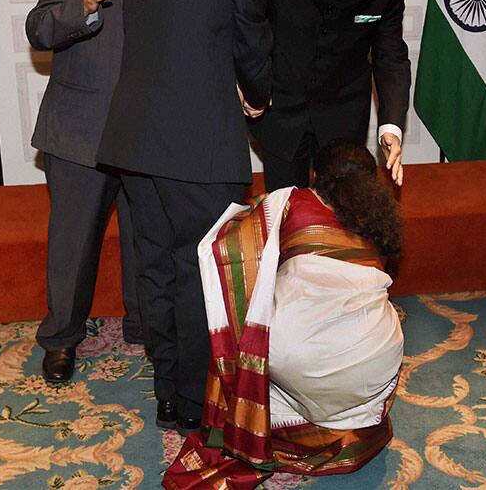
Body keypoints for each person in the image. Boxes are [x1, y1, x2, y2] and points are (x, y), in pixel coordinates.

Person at [97, 0, 272, 435]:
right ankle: (198, 405)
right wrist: (259, 96)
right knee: (204, 277)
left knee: (159, 268)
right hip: (200, 147)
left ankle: (169, 395)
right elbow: (252, 46)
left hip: (135, 140)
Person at [165, 139, 404, 487]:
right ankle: (344, 426)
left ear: (315, 175)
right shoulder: (377, 219)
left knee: (259, 330)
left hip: (299, 357)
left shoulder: (290, 202)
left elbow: (230, 247)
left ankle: (281, 432)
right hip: (375, 358)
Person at [25, 0, 167, 383]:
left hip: (149, 129)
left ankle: (145, 326)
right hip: (80, 129)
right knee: (73, 242)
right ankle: (61, 337)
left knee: (145, 236)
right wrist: (82, 4)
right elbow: (39, 29)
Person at [249, 0, 411, 191]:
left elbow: (391, 57)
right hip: (280, 113)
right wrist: (247, 82)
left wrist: (391, 125)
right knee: (286, 211)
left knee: (344, 215)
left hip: (343, 117)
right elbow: (250, 22)